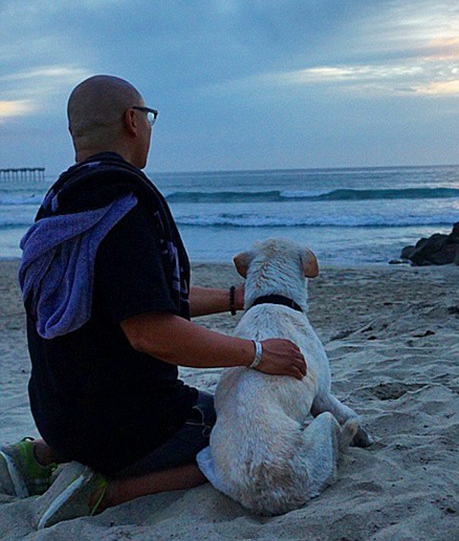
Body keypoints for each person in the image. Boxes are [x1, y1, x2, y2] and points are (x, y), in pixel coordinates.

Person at [0, 75, 307, 528]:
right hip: (128, 426)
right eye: (149, 117)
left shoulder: (64, 203)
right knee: (239, 441)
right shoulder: (123, 206)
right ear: (132, 121)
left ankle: (41, 457)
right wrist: (257, 354)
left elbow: (142, 300)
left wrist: (235, 298)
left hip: (58, 412)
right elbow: (149, 332)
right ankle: (103, 494)